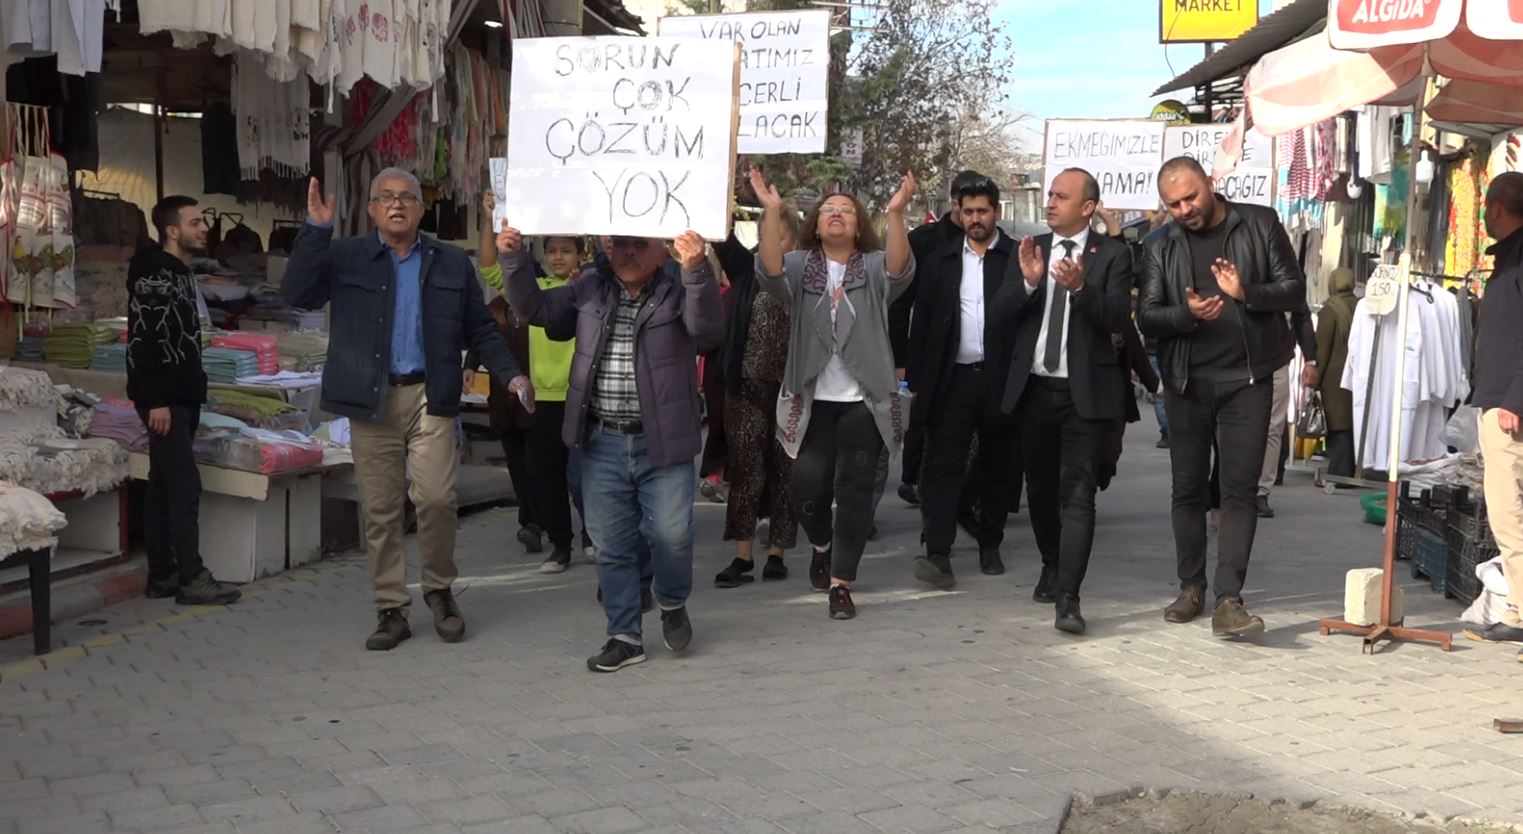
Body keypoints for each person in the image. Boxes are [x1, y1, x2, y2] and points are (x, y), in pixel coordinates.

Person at [285, 171, 530, 651]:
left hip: (430, 394)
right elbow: (297, 295)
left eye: (407, 199)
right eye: (386, 198)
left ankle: (439, 590)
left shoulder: (450, 262)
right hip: (370, 398)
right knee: (380, 510)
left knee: (437, 498)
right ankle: (391, 608)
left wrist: (511, 374)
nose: (397, 205)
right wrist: (315, 232)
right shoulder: (346, 255)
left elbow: (480, 328)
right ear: (373, 209)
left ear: (421, 209)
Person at [500, 221, 723, 673]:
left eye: (640, 243)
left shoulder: (682, 287)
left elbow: (708, 333)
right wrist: (513, 258)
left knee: (672, 537)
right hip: (600, 440)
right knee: (613, 545)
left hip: (663, 442)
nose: (629, 252)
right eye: (620, 242)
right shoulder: (589, 289)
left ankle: (673, 600)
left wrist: (696, 270)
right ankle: (624, 635)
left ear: (662, 249)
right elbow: (534, 309)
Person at [1138, 156, 1306, 638]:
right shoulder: (1159, 245)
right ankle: (1190, 588)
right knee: (1187, 489)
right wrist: (1186, 314)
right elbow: (1147, 316)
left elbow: (1294, 291)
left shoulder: (1259, 222)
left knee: (1238, 490)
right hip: (1187, 383)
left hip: (1247, 380)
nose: (1185, 209)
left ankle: (1228, 599)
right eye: (1174, 204)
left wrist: (1246, 291)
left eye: (1191, 196)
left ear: (1210, 184)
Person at [752, 168, 915, 620]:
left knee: (856, 493)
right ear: (816, 224)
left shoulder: (875, 265)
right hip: (812, 401)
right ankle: (821, 545)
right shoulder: (802, 267)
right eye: (828, 210)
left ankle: (842, 584)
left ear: (859, 224)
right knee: (807, 490)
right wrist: (770, 212)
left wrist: (897, 212)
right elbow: (768, 270)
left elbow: (901, 268)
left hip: (865, 401)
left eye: (846, 210)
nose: (837, 214)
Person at [1003, 168, 1135, 634]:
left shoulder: (1113, 254)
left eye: (1061, 196)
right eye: (1050, 195)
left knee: (1077, 496)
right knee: (1039, 491)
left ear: (1087, 207)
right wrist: (1029, 284)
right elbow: (1000, 315)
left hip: (1085, 397)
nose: (1051, 202)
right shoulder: (1029, 248)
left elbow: (1117, 317)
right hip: (1035, 391)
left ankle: (1069, 598)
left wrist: (1081, 288)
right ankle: (1050, 563)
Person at [127, 196, 241, 607]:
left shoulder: (175, 271)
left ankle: (163, 575)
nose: (205, 226)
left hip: (180, 394)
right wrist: (155, 398)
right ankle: (191, 576)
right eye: (196, 222)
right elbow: (146, 336)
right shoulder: (156, 272)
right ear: (172, 230)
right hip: (166, 398)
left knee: (161, 485)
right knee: (182, 485)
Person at [906, 174, 1018, 587]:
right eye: (967, 211)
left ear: (996, 212)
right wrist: (916, 377)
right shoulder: (942, 261)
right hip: (952, 380)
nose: (975, 219)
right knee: (941, 466)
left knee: (997, 466)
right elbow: (924, 323)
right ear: (958, 211)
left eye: (982, 211)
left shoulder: (1016, 258)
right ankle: (938, 552)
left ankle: (990, 542)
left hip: (1001, 381)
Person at [476, 190, 586, 572]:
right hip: (541, 398)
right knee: (546, 476)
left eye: (566, 250)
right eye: (552, 249)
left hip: (582, 398)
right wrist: (490, 217)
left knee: (585, 477)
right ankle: (561, 546)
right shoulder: (530, 292)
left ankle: (595, 538)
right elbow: (490, 266)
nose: (557, 256)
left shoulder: (590, 289)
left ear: (580, 256)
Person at [714, 204, 803, 588]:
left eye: (779, 236)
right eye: (765, 236)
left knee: (785, 473)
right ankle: (743, 555)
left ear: (794, 239)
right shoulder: (746, 270)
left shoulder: (805, 276)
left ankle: (778, 553)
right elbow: (722, 239)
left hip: (792, 392)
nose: (772, 244)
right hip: (746, 387)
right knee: (747, 470)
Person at [894, 170, 989, 506]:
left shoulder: (994, 244)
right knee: (926, 419)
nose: (973, 217)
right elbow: (900, 302)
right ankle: (915, 478)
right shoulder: (924, 240)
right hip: (933, 347)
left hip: (976, 357)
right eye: (967, 208)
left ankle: (969, 489)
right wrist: (901, 359)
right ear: (955, 204)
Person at [1461, 172, 1523, 654]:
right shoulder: (1507, 260)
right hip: (1499, 399)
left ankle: (1520, 608)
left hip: (1509, 406)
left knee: (1509, 511)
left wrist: (1513, 400)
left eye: (1486, 206)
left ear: (1499, 208)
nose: (1482, 214)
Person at [469, 191, 540, 561]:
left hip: (545, 397)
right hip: (506, 398)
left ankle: (551, 522)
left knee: (541, 463)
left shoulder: (549, 295)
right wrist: (488, 219)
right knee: (516, 462)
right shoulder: (498, 305)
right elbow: (486, 264)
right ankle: (530, 523)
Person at [1256, 312, 1318, 518]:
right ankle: (1229, 486)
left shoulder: (1288, 280)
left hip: (1276, 360)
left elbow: (1302, 315)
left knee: (1273, 427)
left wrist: (1311, 360)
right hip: (1237, 358)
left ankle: (1260, 491)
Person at [1315, 267, 1358, 481]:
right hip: (1358, 375)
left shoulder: (1330, 309)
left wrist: (1315, 378)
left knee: (1338, 425)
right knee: (1352, 422)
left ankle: (1339, 473)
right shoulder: (1362, 306)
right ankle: (1350, 468)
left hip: (1335, 377)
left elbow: (1321, 349)